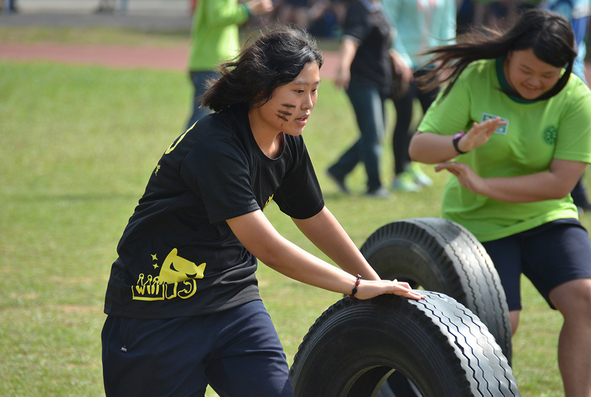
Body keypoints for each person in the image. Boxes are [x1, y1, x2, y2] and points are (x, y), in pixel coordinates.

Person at [101, 27, 423, 397]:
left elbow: (314, 216)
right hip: (156, 310)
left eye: (314, 89)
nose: (309, 103)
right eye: (298, 91)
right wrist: (354, 287)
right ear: (260, 89)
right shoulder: (215, 145)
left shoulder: (287, 142)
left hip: (233, 306)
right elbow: (266, 246)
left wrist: (376, 284)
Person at [409, 9, 591, 396]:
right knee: (501, 321)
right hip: (478, 222)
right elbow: (419, 147)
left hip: (546, 216)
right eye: (527, 69)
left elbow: (560, 182)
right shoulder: (476, 78)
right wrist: (461, 144)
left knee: (586, 299)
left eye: (549, 75)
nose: (536, 82)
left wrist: (483, 184)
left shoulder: (576, 97)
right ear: (510, 53)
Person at [382, 0, 456, 192]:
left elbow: (448, 24)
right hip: (402, 64)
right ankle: (398, 174)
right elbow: (389, 22)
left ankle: (409, 161)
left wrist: (446, 56)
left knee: (431, 116)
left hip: (430, 63)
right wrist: (399, 56)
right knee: (404, 117)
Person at [326, 0, 394, 197]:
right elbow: (350, 40)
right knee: (373, 133)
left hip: (378, 80)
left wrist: (395, 57)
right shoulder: (359, 8)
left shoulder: (377, 9)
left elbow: (382, 41)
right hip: (362, 80)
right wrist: (343, 68)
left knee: (374, 133)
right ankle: (375, 186)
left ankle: (339, 170)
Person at [541, 0, 591, 212]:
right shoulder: (563, 3)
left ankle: (577, 196)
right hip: (561, 77)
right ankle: (573, 196)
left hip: (570, 75)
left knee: (570, 140)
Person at [185, 0, 273, 131]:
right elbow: (217, 17)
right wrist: (248, 9)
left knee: (223, 119)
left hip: (215, 62)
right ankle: (186, 151)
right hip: (211, 63)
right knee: (200, 122)